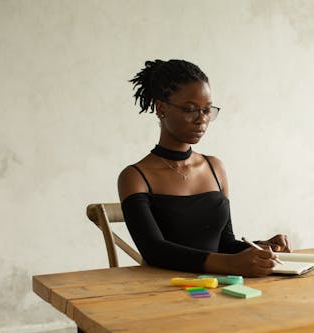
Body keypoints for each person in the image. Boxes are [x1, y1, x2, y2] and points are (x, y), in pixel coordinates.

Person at [118, 59, 291, 277]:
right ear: (161, 108)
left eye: (207, 110)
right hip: (163, 290)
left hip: (216, 288)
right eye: (190, 110)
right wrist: (230, 265)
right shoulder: (135, 177)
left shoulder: (214, 168)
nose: (202, 120)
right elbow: (154, 250)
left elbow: (224, 244)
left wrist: (260, 249)